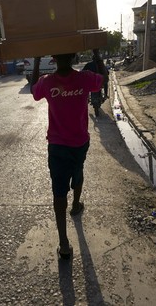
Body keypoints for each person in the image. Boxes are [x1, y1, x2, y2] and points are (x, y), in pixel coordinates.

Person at [30, 50, 105, 260]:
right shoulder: (85, 78)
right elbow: (104, 79)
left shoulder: (46, 82)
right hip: (79, 142)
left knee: (58, 190)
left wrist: (36, 61)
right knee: (78, 170)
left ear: (53, 59)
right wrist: (97, 54)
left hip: (57, 145)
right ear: (73, 57)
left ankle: (63, 243)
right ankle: (76, 205)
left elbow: (33, 91)